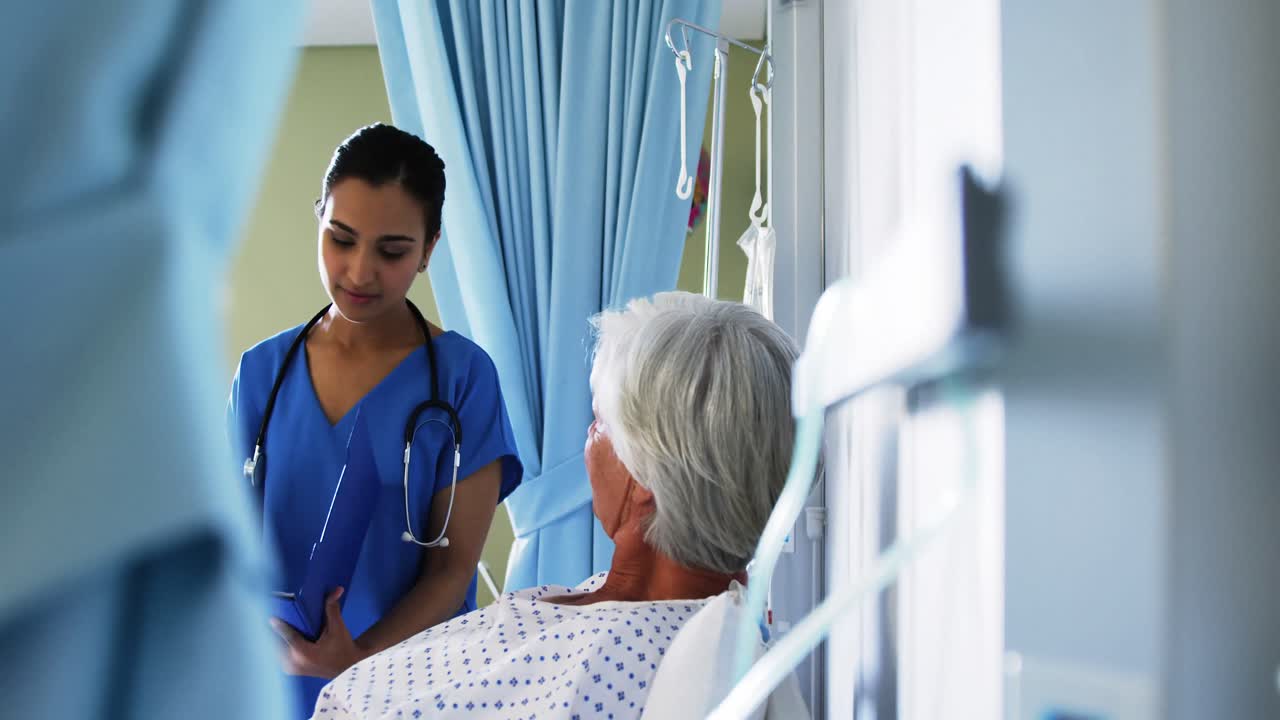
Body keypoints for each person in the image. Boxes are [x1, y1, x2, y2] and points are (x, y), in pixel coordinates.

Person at [311, 292, 800, 719]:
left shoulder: (615, 659)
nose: (588, 438)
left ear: (645, 475)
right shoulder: (613, 608)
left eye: (598, 421)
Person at [227, 123, 523, 717]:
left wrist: (358, 658)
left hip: (411, 685)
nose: (360, 272)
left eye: (391, 251)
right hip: (271, 684)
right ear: (319, 222)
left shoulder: (463, 380)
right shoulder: (263, 372)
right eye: (341, 239)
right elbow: (229, 544)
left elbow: (451, 568)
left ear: (428, 248)